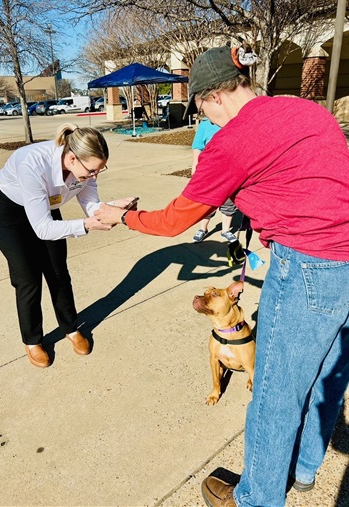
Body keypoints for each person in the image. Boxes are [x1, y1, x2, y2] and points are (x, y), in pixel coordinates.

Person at [95, 45, 349, 507]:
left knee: (276, 392)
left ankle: (256, 498)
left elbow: (175, 220)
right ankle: (305, 468)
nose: (204, 120)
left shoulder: (229, 143)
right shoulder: (306, 110)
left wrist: (123, 218)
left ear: (209, 98)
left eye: (202, 111)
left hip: (309, 268)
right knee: (328, 376)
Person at [0, 123, 135, 369]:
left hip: (46, 209)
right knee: (28, 278)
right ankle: (32, 340)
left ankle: (70, 327)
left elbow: (91, 204)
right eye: (91, 171)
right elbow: (42, 229)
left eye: (100, 170)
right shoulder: (32, 163)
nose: (94, 176)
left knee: (58, 273)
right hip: (8, 212)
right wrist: (87, 226)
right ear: (72, 157)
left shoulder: (84, 169)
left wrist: (113, 208)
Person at [191, 117, 241, 244]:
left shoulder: (234, 122)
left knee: (229, 203)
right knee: (207, 202)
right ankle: (203, 229)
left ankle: (225, 230)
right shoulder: (205, 124)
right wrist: (195, 167)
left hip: (230, 173)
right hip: (209, 173)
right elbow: (197, 147)